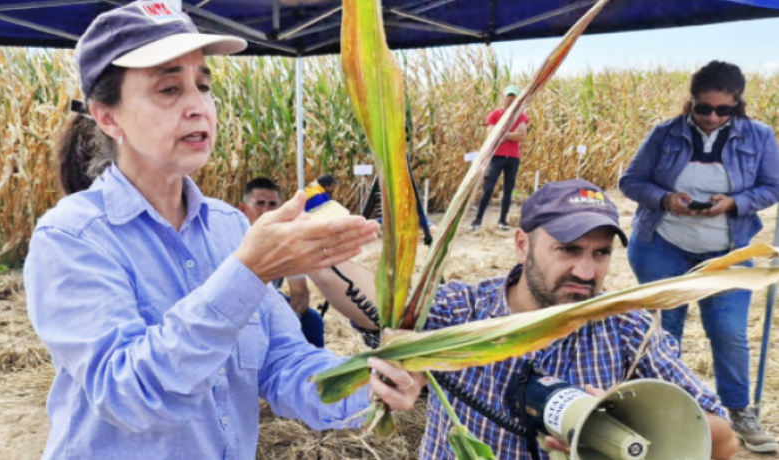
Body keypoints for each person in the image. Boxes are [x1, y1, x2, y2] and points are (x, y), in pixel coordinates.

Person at [23, 3, 425, 459]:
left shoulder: (229, 226)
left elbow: (282, 362)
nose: (197, 106)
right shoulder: (72, 237)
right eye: (169, 88)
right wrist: (248, 272)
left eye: (204, 85)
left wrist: (369, 383)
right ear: (108, 117)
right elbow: (132, 396)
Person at [310, 179, 736, 460]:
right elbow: (367, 300)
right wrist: (308, 243)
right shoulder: (462, 311)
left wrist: (625, 418)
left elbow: (721, 439)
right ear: (521, 245)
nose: (587, 273)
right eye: (568, 249)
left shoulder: (627, 329)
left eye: (600, 253)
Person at [620, 60, 779, 453]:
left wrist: (734, 203)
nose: (711, 117)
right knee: (663, 333)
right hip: (663, 245)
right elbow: (631, 181)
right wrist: (665, 198)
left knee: (728, 332)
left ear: (737, 105)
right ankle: (664, 411)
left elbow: (772, 186)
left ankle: (740, 413)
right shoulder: (664, 134)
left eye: (723, 110)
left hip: (727, 251)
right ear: (690, 102)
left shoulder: (759, 136)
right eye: (703, 108)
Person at [240, 177, 325, 347]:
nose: (266, 210)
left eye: (272, 205)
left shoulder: (285, 242)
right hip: (237, 308)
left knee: (312, 321)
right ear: (243, 209)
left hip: (272, 307)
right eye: (260, 203)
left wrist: (286, 325)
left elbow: (300, 294)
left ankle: (314, 372)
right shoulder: (230, 237)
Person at [469, 85, 529, 232]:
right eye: (508, 96)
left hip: (513, 158)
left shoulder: (521, 116)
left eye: (513, 97)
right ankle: (478, 219)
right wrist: (509, 134)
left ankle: (502, 220)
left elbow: (521, 136)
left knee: (508, 190)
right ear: (503, 97)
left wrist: (502, 133)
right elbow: (491, 135)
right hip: (496, 156)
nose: (510, 99)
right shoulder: (495, 114)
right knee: (488, 188)